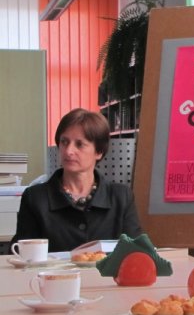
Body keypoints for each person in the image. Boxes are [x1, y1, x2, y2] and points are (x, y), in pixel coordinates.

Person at [12, 108, 143, 252]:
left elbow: (136, 252)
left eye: (79, 144)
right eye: (64, 142)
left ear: (99, 152)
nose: (68, 151)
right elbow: (21, 254)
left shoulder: (121, 197)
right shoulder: (35, 198)